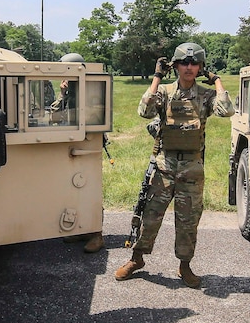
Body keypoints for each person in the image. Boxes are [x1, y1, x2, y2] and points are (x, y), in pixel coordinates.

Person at [114, 42, 234, 287]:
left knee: (188, 221)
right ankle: (137, 259)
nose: (189, 67)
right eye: (184, 63)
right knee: (150, 217)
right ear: (176, 66)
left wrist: (217, 79)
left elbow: (226, 110)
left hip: (191, 169)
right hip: (164, 167)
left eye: (194, 63)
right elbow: (144, 111)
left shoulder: (205, 95)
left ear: (200, 67)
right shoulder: (166, 92)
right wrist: (157, 77)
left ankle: (185, 266)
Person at [55, 52, 105, 253]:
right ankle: (81, 228)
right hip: (69, 143)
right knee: (71, 188)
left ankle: (96, 233)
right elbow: (56, 115)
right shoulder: (69, 91)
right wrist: (63, 95)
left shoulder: (91, 89)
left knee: (90, 189)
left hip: (88, 144)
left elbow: (92, 115)